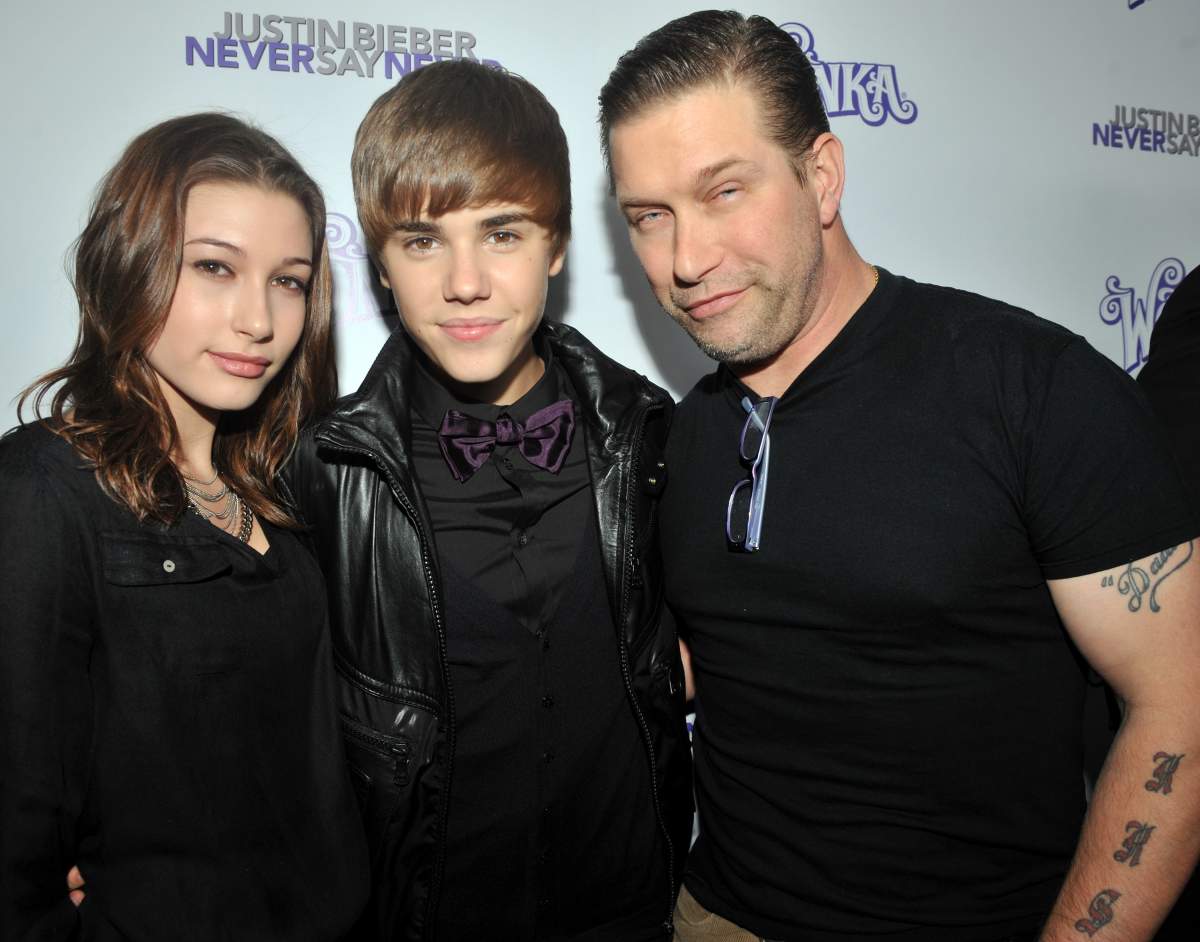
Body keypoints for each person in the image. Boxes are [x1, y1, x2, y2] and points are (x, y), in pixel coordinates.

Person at [599, 11, 1200, 942]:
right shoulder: (671, 441)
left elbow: (1182, 710)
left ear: (823, 175)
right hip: (710, 916)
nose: (686, 260)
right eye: (651, 216)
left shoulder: (1029, 387)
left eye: (724, 193)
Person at [280, 60, 691, 941]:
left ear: (558, 246)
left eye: (502, 234)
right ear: (381, 263)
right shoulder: (326, 472)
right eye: (423, 241)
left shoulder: (652, 440)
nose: (464, 283)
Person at [0, 113, 368, 940]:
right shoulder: (45, 490)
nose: (257, 320)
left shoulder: (286, 489)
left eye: (289, 280)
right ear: (130, 264)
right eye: (213, 267)